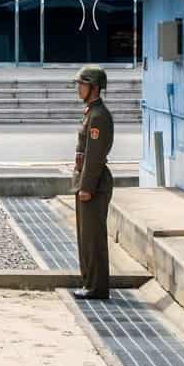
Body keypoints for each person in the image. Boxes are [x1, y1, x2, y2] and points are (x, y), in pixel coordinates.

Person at [73, 65, 114, 300]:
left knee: (93, 237)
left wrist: (86, 187)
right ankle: (89, 282)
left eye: (82, 84)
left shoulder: (98, 116)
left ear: (94, 87)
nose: (79, 88)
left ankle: (96, 287)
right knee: (86, 236)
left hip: (94, 185)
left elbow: (95, 156)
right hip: (87, 182)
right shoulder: (91, 112)